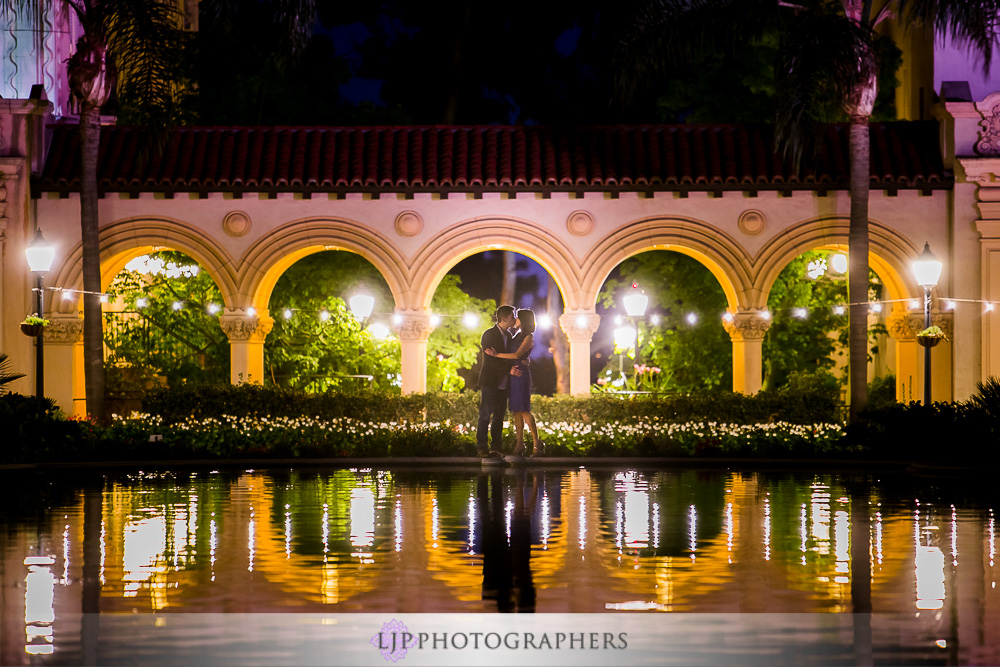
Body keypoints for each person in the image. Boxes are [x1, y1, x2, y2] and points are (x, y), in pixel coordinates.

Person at [485, 308, 544, 457]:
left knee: (524, 409)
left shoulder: (529, 337)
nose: (515, 319)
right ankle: (519, 445)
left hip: (521, 374)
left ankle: (537, 443)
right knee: (516, 410)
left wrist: (496, 355)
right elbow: (514, 353)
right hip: (513, 373)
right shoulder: (516, 335)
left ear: (523, 320)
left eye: (517, 317)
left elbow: (517, 354)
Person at [477, 305, 520, 458]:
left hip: (504, 382)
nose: (514, 318)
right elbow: (491, 360)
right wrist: (508, 370)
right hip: (490, 381)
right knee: (485, 413)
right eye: (512, 315)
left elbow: (506, 356)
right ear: (504, 318)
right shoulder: (489, 335)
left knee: (499, 415)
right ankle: (481, 447)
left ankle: (496, 447)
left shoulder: (509, 337)